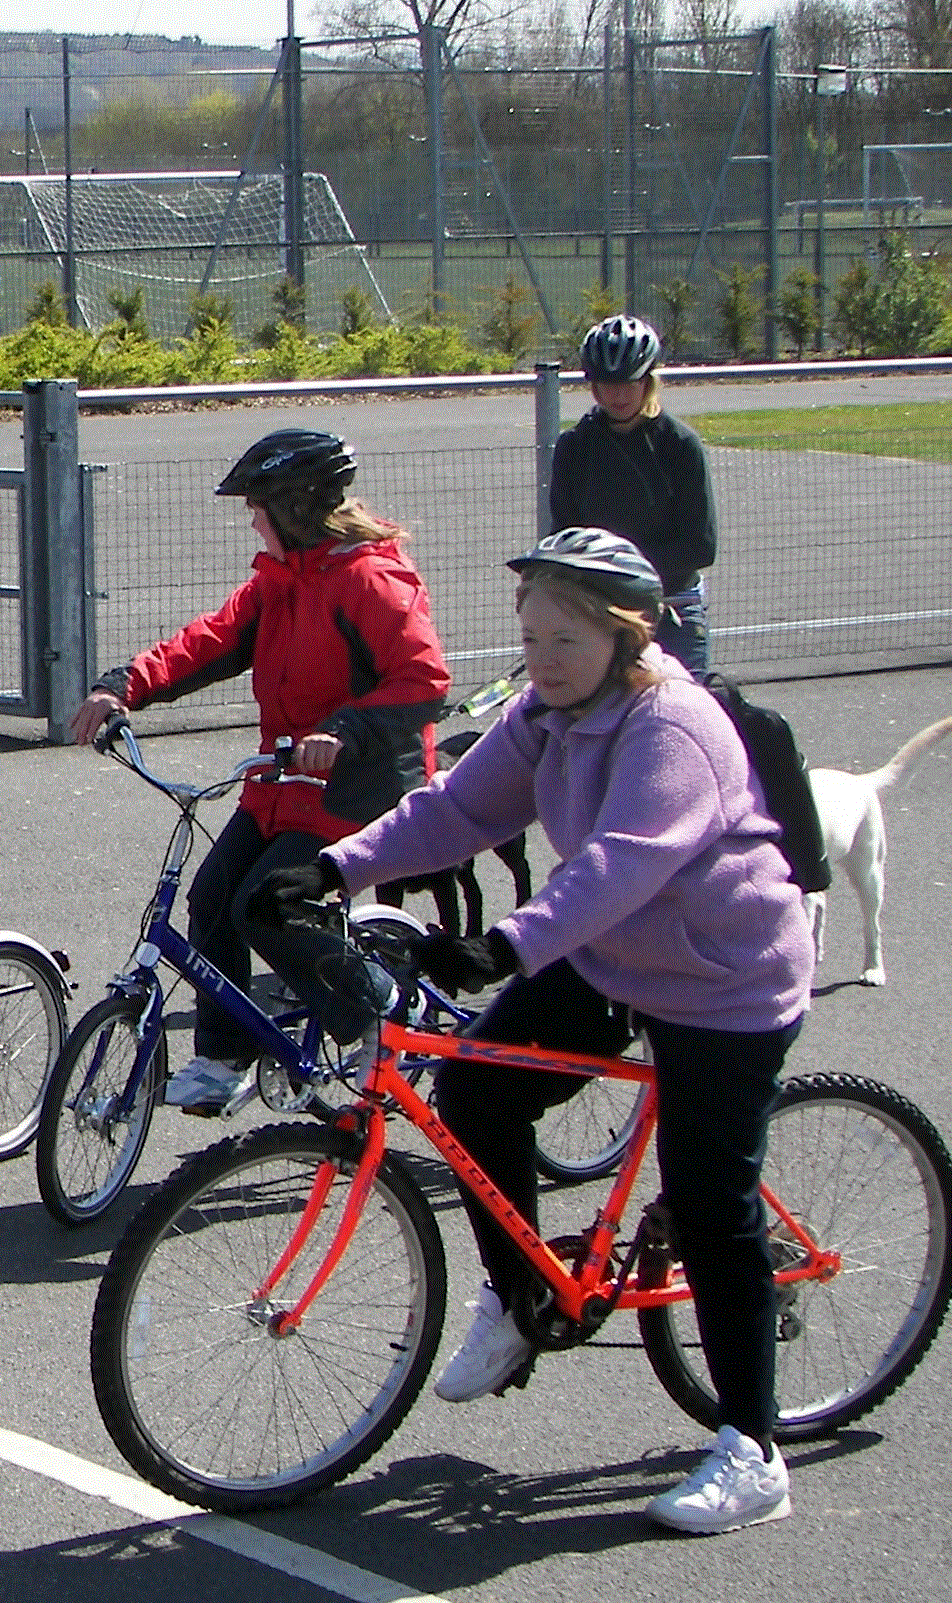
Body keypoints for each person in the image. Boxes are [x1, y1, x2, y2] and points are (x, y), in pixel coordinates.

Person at [261, 528, 810, 1536]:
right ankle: (519, 1302)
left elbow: (621, 865)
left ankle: (753, 1451)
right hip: (610, 956)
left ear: (625, 635)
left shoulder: (670, 726)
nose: (545, 655)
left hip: (724, 980)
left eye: (568, 636)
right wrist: (337, 870)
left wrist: (507, 945)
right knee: (476, 1090)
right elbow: (456, 810)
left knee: (711, 1206)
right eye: (533, 634)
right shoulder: (547, 715)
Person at [67, 427, 451, 1115]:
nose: (251, 518)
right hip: (284, 786)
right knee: (213, 895)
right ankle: (224, 1055)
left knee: (265, 906)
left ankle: (382, 1011)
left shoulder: (369, 580)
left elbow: (423, 682)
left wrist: (343, 731)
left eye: (258, 506)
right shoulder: (281, 583)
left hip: (358, 789)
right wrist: (124, 684)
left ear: (296, 508)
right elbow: (209, 642)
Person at [549, 314, 717, 672]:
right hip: (603, 609)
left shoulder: (679, 445)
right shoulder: (576, 447)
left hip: (673, 604)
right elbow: (565, 536)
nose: (618, 395)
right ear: (592, 386)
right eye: (607, 384)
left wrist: (630, 575)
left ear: (648, 381)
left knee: (688, 715)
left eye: (629, 382)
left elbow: (699, 546)